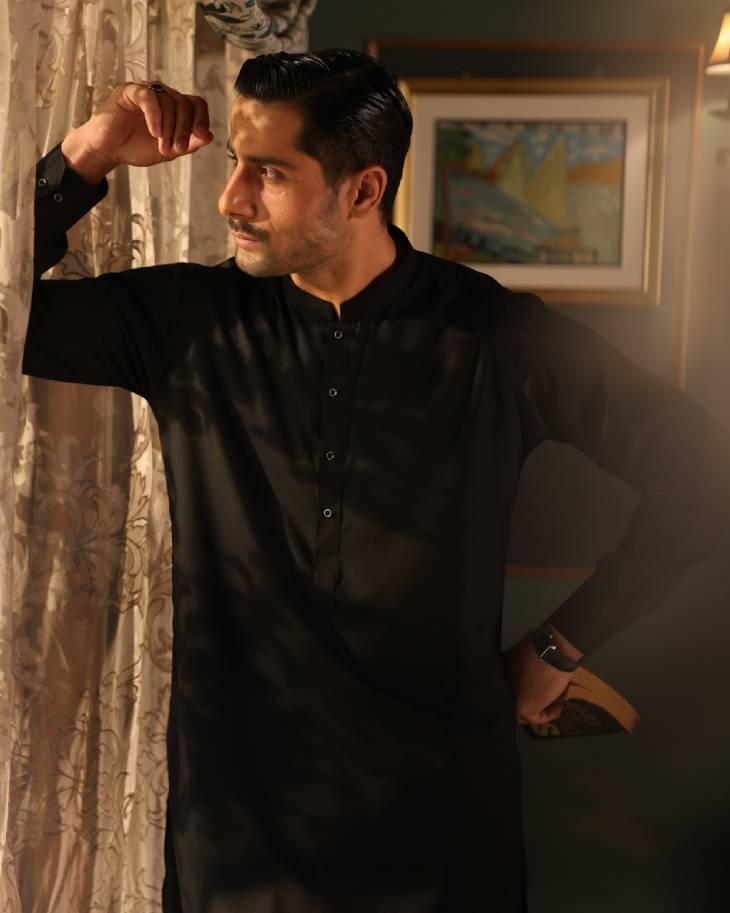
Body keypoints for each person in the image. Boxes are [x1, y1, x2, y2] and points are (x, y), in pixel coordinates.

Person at [23, 49, 730, 913]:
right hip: (237, 849)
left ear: (362, 190)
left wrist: (563, 642)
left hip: (442, 848)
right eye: (235, 163)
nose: (231, 199)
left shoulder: (497, 337)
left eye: (269, 173)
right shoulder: (185, 321)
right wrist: (87, 154)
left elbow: (704, 475)